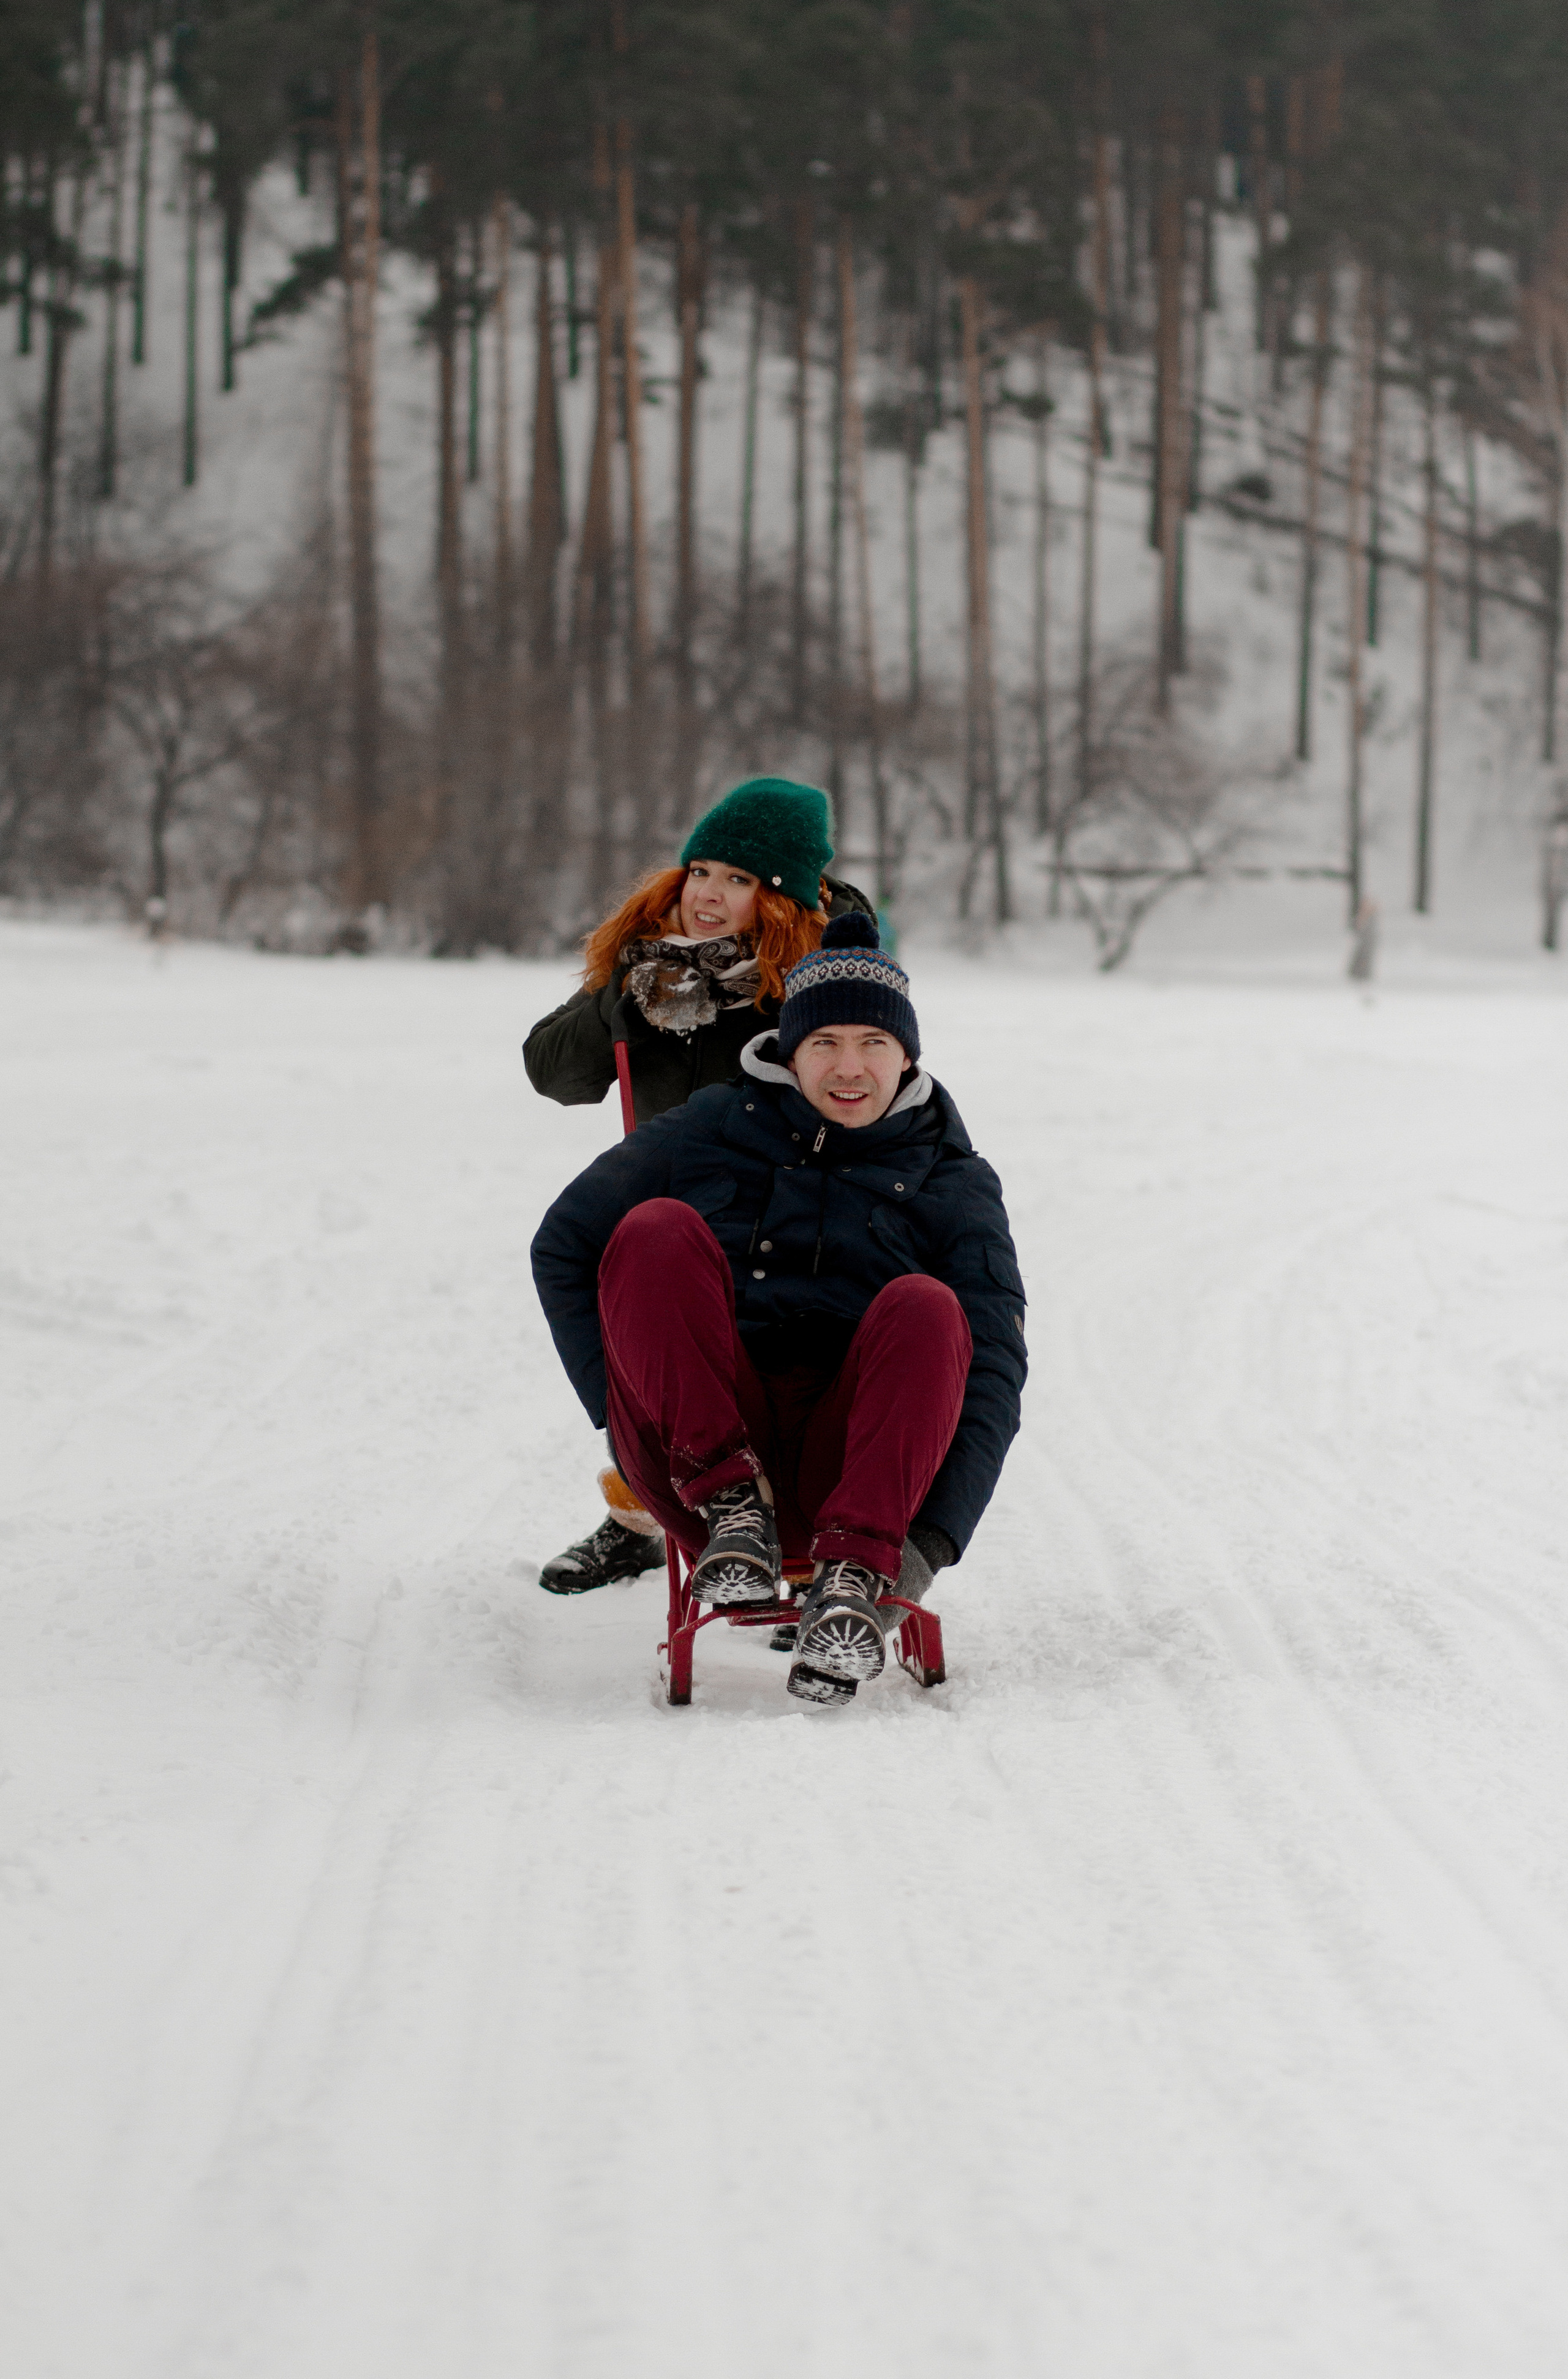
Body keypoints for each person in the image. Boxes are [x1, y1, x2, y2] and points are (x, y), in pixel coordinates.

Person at [530, 913, 1027, 1705]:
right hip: (705, 1470)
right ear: (790, 1051)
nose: (849, 1066)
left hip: (867, 1483)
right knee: (655, 1231)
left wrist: (924, 1549)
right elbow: (565, 1245)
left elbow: (995, 1371)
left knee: (930, 1307)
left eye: (873, 1042)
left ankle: (853, 1589)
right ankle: (733, 1503)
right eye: (824, 1042)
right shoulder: (710, 1128)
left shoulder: (951, 1179)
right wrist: (622, 1413)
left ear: (907, 1055)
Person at [524, 777, 871, 1594]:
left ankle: (812, 1541)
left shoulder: (808, 983)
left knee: (784, 1369)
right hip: (669, 1211)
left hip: (793, 1210)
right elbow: (553, 1073)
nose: (710, 895)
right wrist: (623, 1002)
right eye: (703, 870)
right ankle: (642, 1510)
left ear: (779, 900)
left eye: (740, 879)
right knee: (633, 1337)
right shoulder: (646, 964)